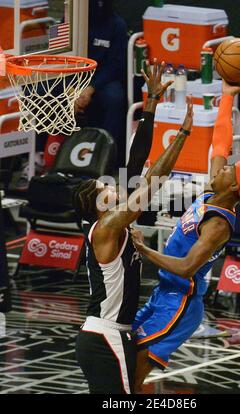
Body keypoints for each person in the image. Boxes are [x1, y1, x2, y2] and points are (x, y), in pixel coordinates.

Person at [131, 78, 240, 393]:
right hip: (164, 294)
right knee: (123, 367)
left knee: (134, 378)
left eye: (228, 171)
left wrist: (145, 249)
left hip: (180, 303)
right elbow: (220, 142)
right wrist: (227, 96)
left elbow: (187, 267)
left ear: (234, 187)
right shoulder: (211, 191)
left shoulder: (219, 223)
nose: (221, 168)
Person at [73, 60, 194, 394]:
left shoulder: (109, 222)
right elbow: (153, 181)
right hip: (105, 336)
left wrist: (151, 105)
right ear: (99, 207)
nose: (113, 186)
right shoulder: (107, 227)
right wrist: (182, 135)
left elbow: (137, 162)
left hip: (112, 334)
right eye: (105, 189)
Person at [74, 0, 128, 167]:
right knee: (39, 89)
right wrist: (71, 88)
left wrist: (90, 89)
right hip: (71, 77)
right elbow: (58, 55)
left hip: (101, 81)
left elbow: (115, 66)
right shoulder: (67, 21)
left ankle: (105, 158)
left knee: (115, 98)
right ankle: (42, 154)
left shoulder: (117, 25)